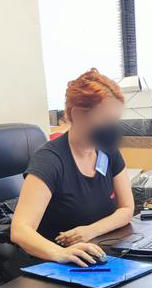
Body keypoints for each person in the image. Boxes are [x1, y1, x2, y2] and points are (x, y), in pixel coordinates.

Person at [11, 68, 134, 267]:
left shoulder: (107, 150)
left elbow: (127, 209)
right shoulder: (50, 160)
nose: (112, 128)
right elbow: (20, 230)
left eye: (115, 120)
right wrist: (61, 253)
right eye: (106, 120)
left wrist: (90, 230)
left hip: (99, 255)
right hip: (58, 265)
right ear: (78, 114)